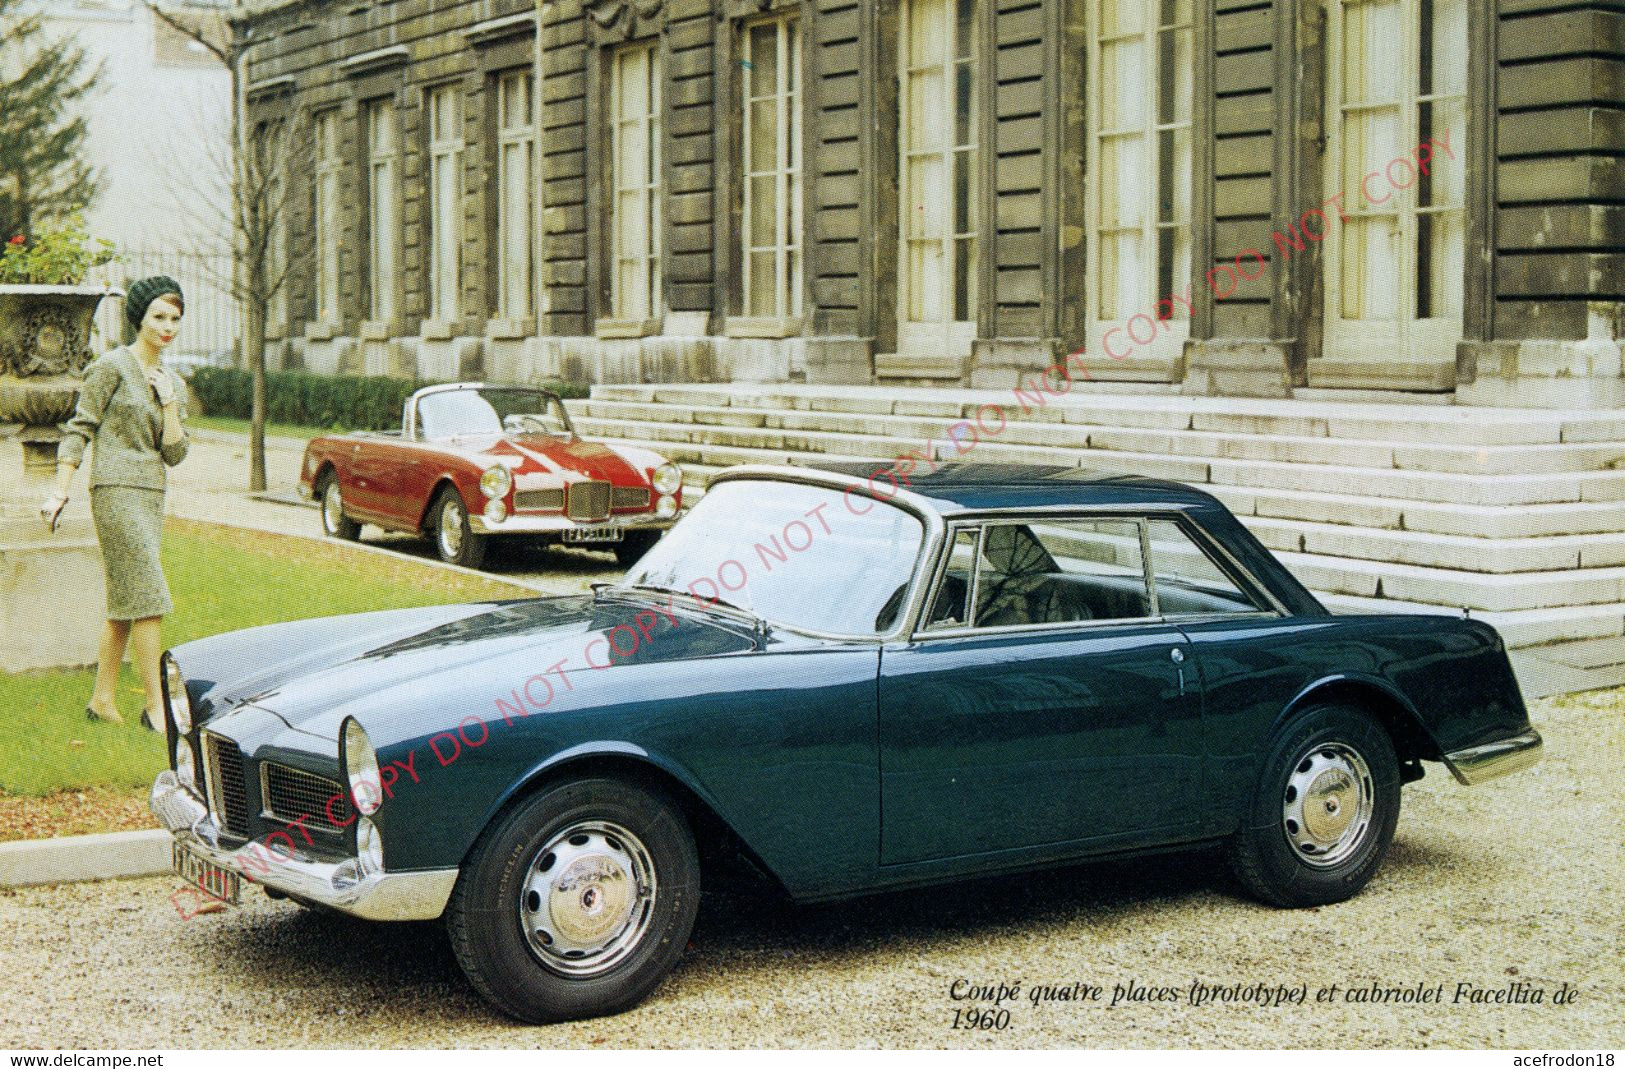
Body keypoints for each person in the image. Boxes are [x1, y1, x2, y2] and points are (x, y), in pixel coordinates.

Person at [40, 276, 190, 729]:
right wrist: (60, 487)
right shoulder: (111, 367)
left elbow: (175, 453)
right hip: (114, 491)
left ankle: (102, 700)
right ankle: (156, 706)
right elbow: (79, 428)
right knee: (148, 598)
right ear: (138, 318)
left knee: (125, 602)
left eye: (175, 319)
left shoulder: (173, 382)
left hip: (151, 494)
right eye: (158, 317)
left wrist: (167, 406)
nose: (167, 327)